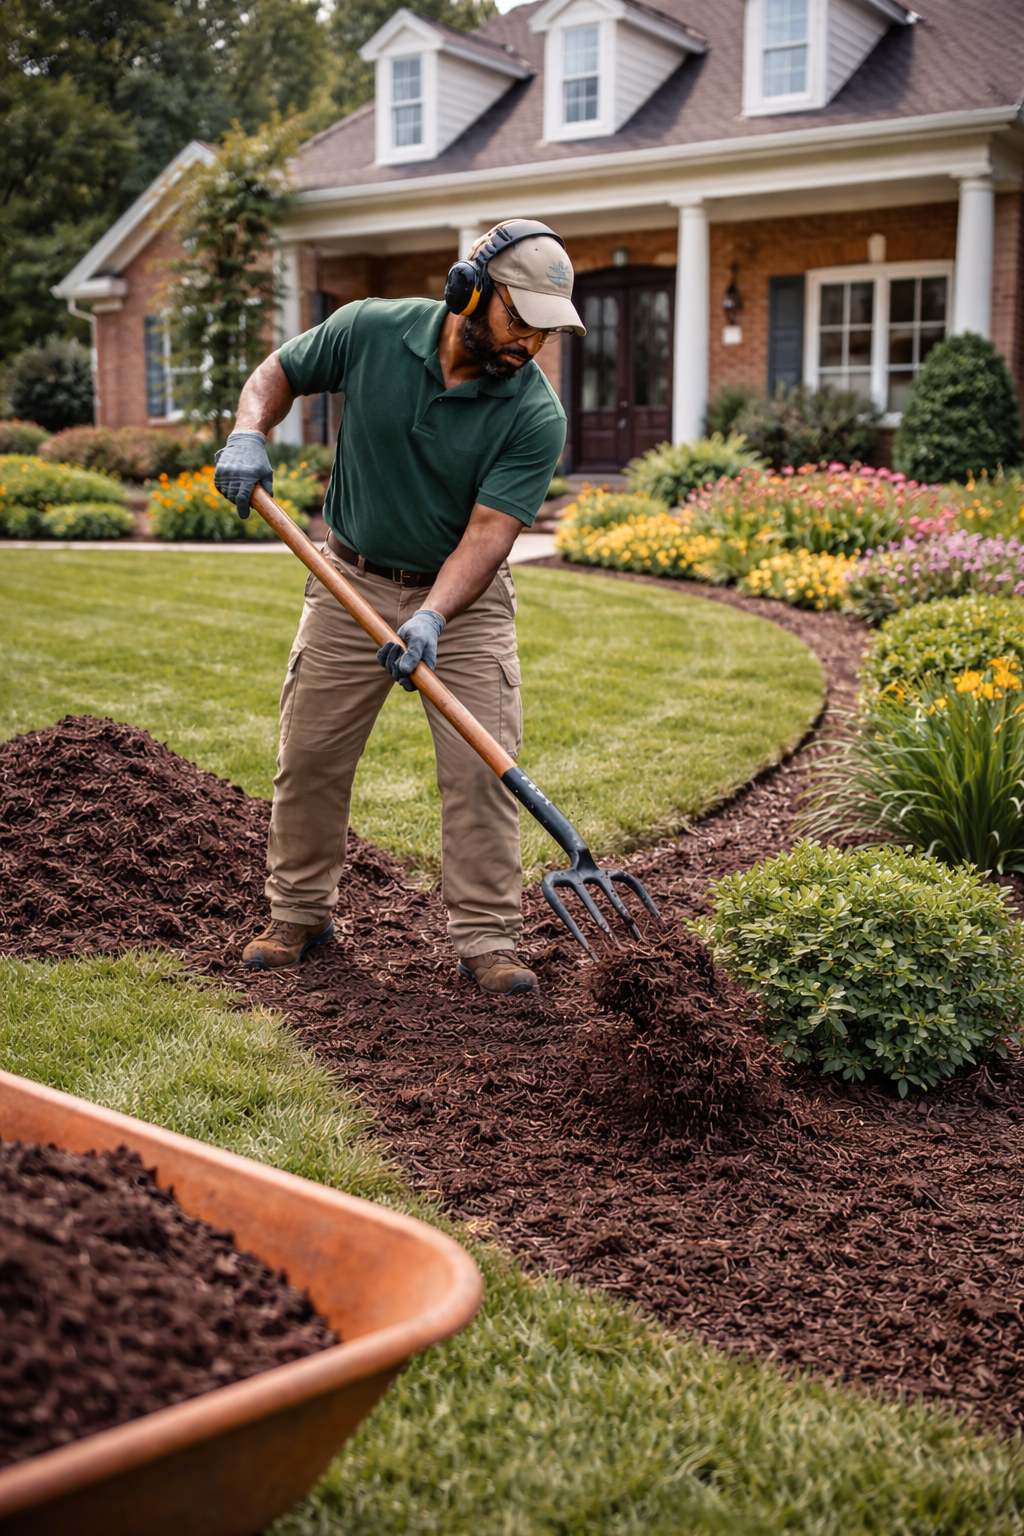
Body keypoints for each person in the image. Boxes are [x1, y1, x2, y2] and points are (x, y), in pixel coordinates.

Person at [213, 219, 585, 996]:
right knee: (310, 755)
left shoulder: (534, 413)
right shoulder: (370, 330)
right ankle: (300, 912)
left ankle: (487, 939)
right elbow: (276, 372)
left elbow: (489, 535)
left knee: (480, 771)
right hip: (348, 583)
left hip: (463, 603)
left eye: (547, 334)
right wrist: (249, 431)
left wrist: (433, 617)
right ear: (469, 292)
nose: (529, 347)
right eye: (521, 321)